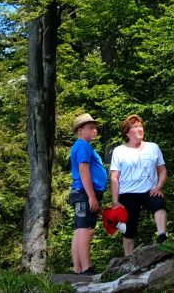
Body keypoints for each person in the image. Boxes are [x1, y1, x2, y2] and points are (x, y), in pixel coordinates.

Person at [109, 114, 168, 255]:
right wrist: (115, 201)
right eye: (135, 127)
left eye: (141, 126)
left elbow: (162, 170)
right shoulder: (119, 151)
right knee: (128, 228)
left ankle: (162, 236)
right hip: (128, 193)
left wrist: (159, 186)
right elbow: (114, 177)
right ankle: (128, 259)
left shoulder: (153, 147)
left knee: (159, 204)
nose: (140, 129)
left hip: (149, 190)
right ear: (127, 133)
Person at [68, 113, 107, 275]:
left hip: (82, 192)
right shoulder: (83, 146)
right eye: (90, 128)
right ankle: (86, 268)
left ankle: (78, 269)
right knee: (86, 229)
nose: (94, 131)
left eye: (95, 128)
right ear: (80, 130)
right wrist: (92, 196)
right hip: (85, 193)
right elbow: (84, 170)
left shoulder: (80, 145)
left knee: (80, 229)